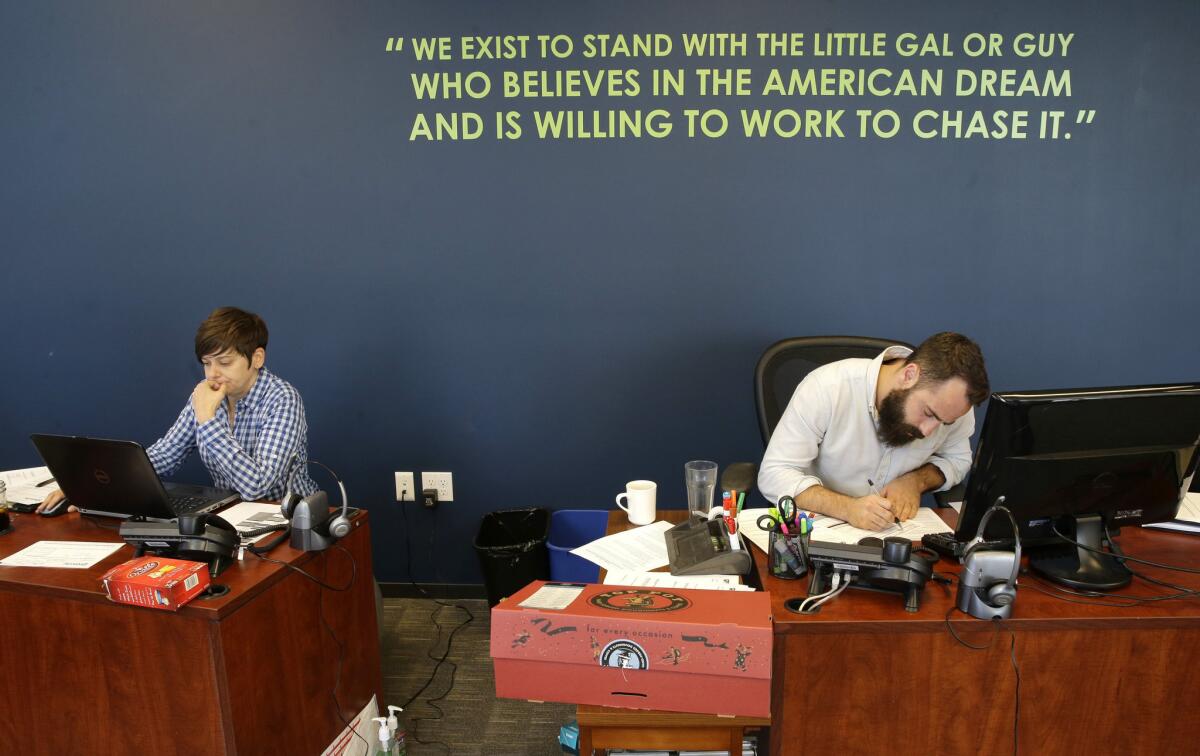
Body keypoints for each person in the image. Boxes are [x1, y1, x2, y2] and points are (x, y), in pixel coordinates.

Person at [38, 307, 317, 512]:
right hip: (232, 516)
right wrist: (88, 488)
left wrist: (208, 421)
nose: (213, 373)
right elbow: (166, 455)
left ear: (256, 358)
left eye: (225, 362)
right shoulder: (207, 393)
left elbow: (258, 487)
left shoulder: (282, 399)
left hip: (288, 518)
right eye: (207, 363)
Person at [757, 332, 989, 531]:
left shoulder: (951, 407)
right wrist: (848, 508)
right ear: (909, 375)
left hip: (897, 538)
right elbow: (774, 474)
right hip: (817, 530)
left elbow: (958, 460)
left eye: (944, 423)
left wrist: (917, 481)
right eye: (929, 413)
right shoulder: (828, 388)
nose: (928, 432)